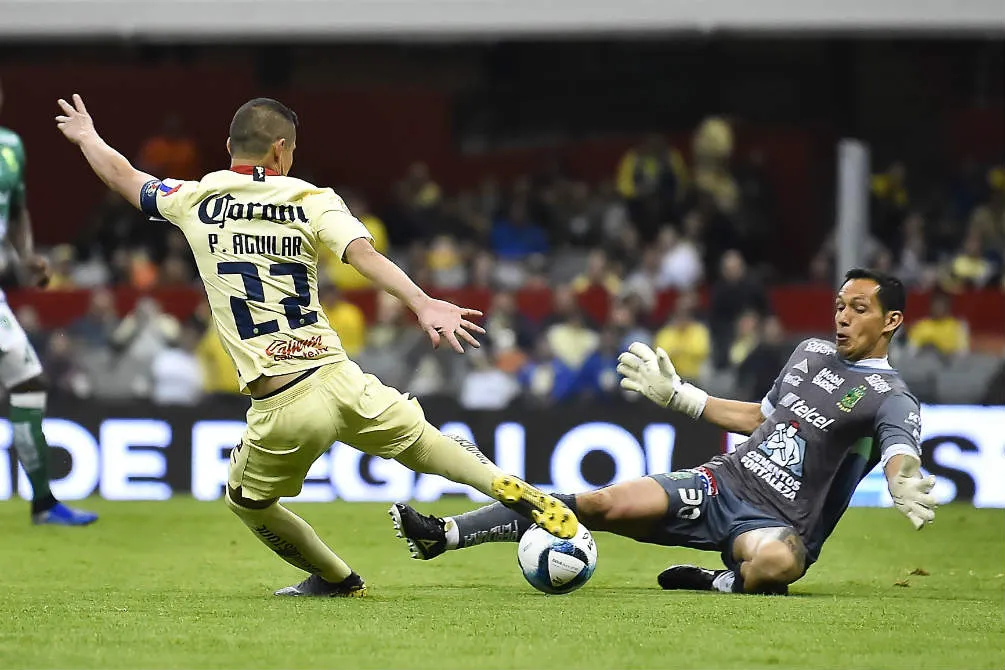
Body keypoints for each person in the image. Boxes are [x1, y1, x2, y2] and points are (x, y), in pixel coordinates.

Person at [56, 94, 577, 597]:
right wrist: (422, 303)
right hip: (339, 375)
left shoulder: (195, 198)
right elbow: (362, 254)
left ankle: (335, 577)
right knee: (422, 443)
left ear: (230, 145)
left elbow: (124, 176)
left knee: (247, 501)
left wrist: (88, 137)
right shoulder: (311, 198)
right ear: (280, 149)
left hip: (283, 401)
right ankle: (506, 486)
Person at [390, 269, 937, 595]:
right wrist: (681, 397)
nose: (842, 318)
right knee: (600, 502)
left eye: (858, 309)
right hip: (723, 483)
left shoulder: (889, 395)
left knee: (775, 565)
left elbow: (899, 445)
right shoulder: (811, 353)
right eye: (839, 306)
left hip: (781, 524)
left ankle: (720, 581)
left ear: (891, 321)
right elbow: (760, 418)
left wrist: (901, 476)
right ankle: (445, 534)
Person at [0, 80, 97, 526]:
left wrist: (25, 256)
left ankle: (42, 503)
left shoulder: (10, 146)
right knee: (27, 382)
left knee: (28, 383)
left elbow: (16, 209)